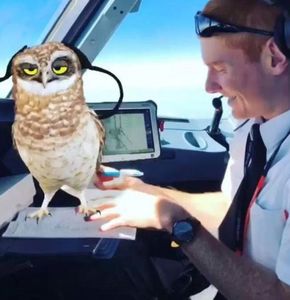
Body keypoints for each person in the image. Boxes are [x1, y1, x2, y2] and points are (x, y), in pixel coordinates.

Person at [88, 0, 290, 299]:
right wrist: (150, 193)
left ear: (274, 57)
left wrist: (176, 222)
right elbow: (231, 210)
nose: (209, 86)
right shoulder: (252, 130)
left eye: (219, 68)